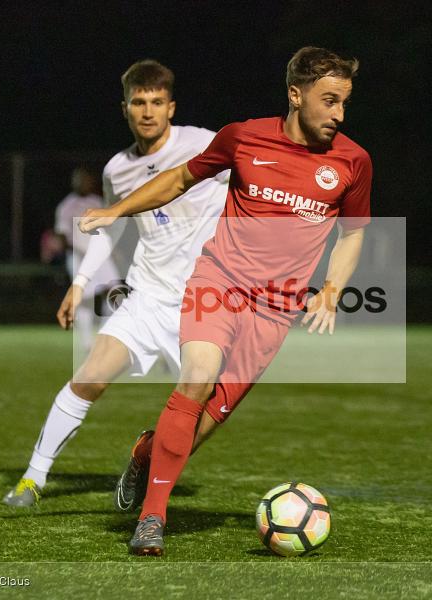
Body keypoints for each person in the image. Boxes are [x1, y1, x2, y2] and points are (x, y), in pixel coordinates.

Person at [80, 47, 372, 556]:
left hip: (275, 311)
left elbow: (352, 234)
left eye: (344, 103)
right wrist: (119, 209)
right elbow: (177, 179)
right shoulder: (243, 137)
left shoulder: (353, 161)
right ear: (296, 95)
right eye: (329, 101)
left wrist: (331, 290)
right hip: (218, 283)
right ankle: (152, 520)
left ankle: (148, 451)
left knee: (204, 422)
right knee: (196, 377)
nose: (339, 114)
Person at [3, 60, 228, 507]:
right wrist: (79, 282)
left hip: (203, 301)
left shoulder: (203, 144)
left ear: (171, 107)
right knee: (90, 377)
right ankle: (33, 479)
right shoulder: (116, 171)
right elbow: (112, 226)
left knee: (204, 409)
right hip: (147, 296)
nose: (148, 111)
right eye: (139, 102)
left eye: (157, 102)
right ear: (124, 108)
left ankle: (146, 462)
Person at [54, 167, 121, 347]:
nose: (84, 183)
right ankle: (86, 342)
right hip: (77, 255)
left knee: (115, 292)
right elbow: (61, 235)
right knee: (84, 298)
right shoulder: (66, 206)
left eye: (86, 180)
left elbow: (108, 228)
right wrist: (79, 247)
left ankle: (105, 335)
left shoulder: (96, 201)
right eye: (80, 180)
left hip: (100, 254)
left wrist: (112, 251)